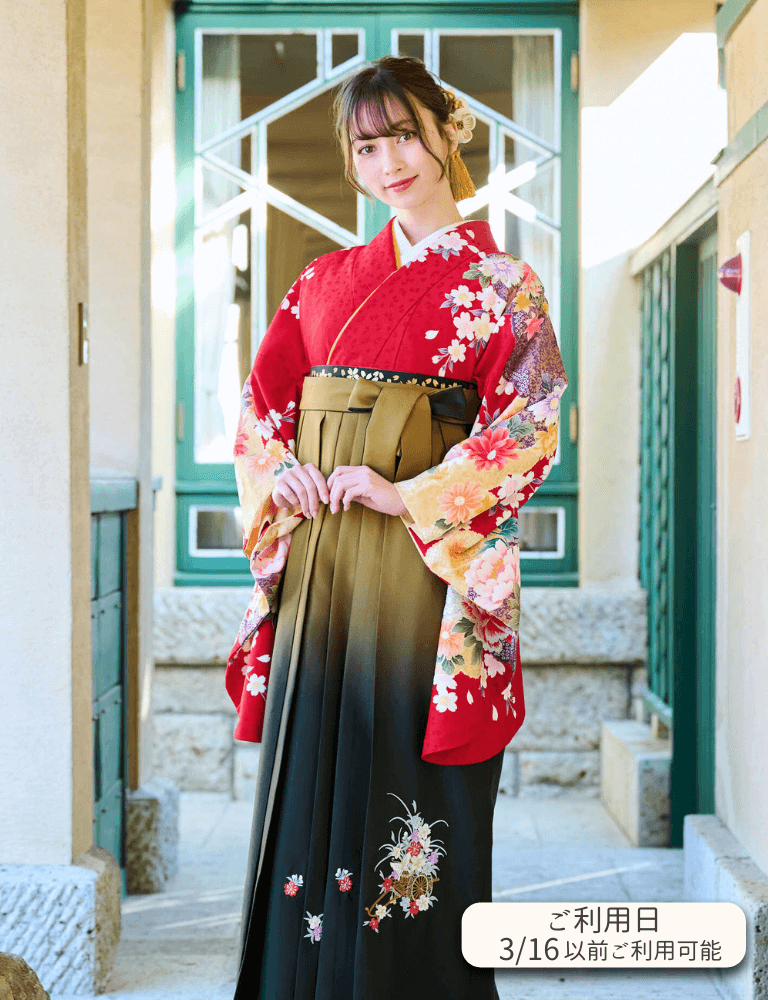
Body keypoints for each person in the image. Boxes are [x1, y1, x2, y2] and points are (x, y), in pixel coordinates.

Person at [225, 54, 567, 1000]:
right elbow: (261, 411)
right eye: (367, 146)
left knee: (407, 777)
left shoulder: (504, 285)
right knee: (314, 782)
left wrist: (412, 495)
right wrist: (282, 473)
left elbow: (531, 424)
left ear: (447, 131)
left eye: (405, 135)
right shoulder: (324, 280)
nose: (389, 162)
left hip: (424, 573)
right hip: (327, 565)